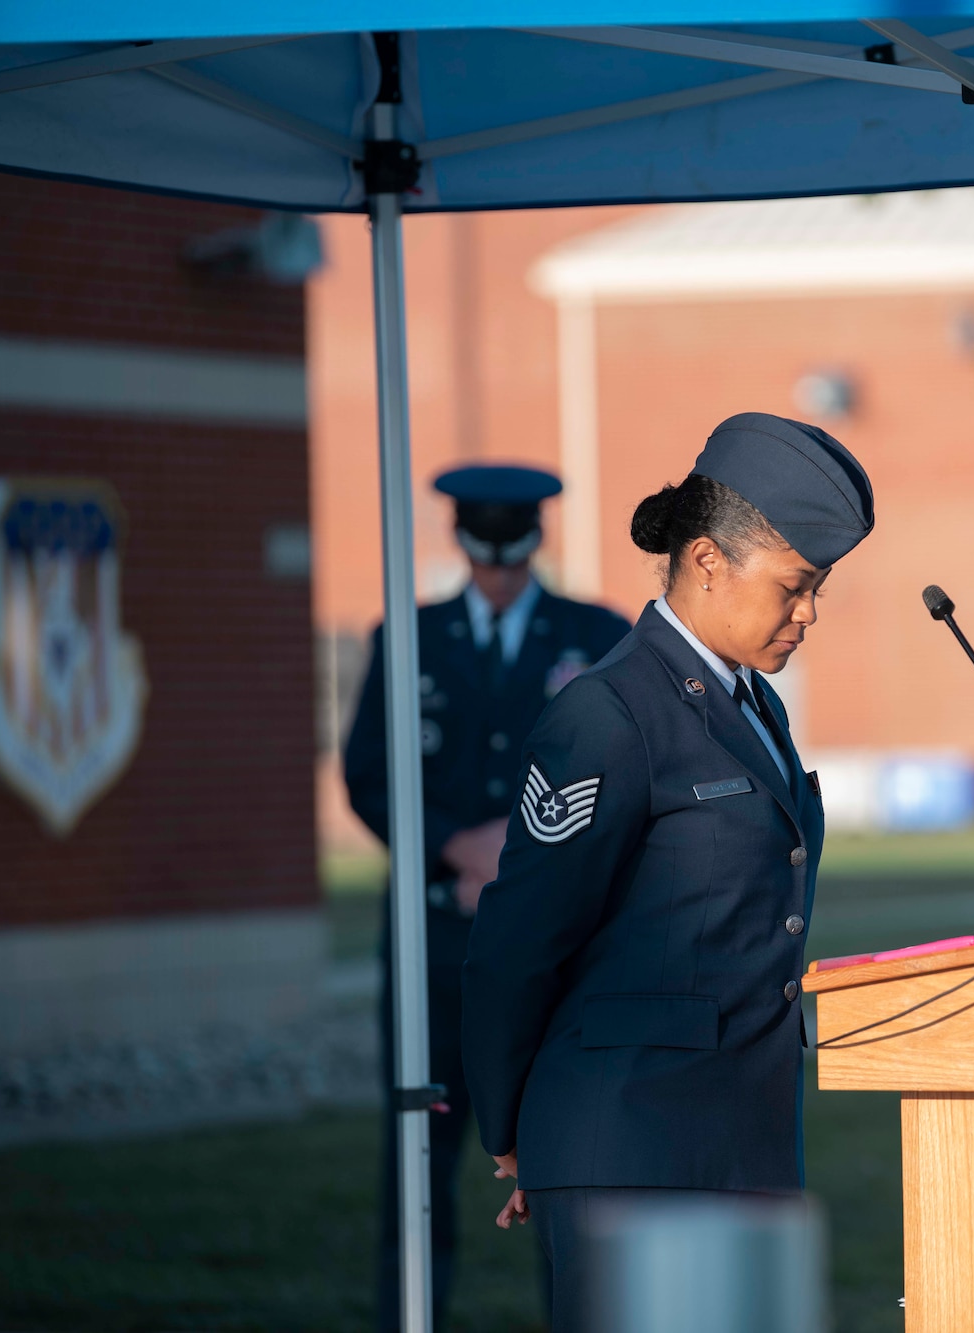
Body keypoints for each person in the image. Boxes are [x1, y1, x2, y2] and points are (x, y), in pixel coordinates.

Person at [459, 412, 873, 1333]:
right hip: (632, 1139)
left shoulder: (750, 700)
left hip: (742, 1135)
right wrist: (517, 1129)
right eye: (795, 587)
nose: (808, 612)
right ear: (708, 561)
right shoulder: (609, 713)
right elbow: (519, 941)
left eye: (820, 589)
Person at [343, 463, 631, 1332]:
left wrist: (515, 855)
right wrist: (447, 847)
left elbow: (616, 772)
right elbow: (366, 773)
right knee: (417, 1156)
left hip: (553, 951)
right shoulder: (408, 636)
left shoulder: (595, 633)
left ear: (537, 538)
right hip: (435, 939)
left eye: (512, 546)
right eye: (486, 546)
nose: (499, 565)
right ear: (462, 539)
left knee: (565, 1161)